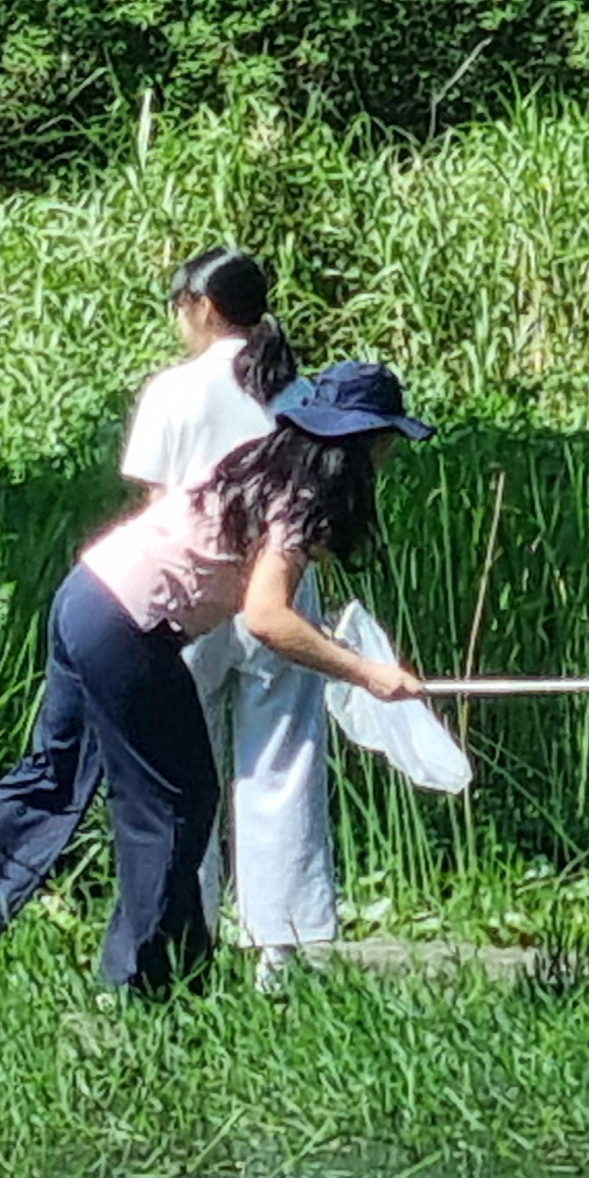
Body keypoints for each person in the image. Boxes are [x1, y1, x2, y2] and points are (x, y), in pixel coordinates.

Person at [0, 364, 432, 996]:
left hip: (85, 594)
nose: (391, 454)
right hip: (128, 623)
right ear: (362, 441)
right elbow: (266, 617)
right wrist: (366, 671)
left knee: (54, 776)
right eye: (389, 439)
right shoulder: (301, 498)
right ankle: (151, 984)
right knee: (178, 801)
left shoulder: (258, 464)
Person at [124, 249, 344, 987]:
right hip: (281, 590)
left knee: (189, 771)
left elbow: (158, 512)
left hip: (190, 594)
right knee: (282, 759)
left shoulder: (172, 391)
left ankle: (191, 932)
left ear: (203, 308)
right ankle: (278, 949)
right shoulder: (296, 391)